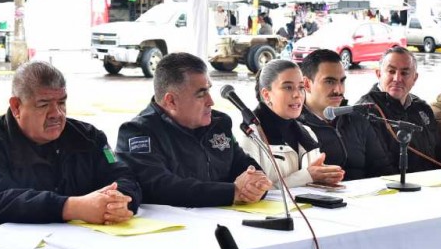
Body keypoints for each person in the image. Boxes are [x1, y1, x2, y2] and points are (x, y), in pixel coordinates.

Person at [0, 61, 141, 228]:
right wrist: (71, 207)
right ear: (16, 107)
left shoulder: (89, 138)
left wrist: (119, 201)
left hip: (84, 245)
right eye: (43, 105)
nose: (56, 113)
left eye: (61, 102)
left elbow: (122, 175)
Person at [116, 53, 272, 207]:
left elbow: (247, 167)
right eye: (201, 94)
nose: (210, 101)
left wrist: (256, 186)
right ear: (171, 101)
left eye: (208, 91)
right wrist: (232, 192)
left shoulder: (219, 123)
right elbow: (158, 186)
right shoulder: (138, 131)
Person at [241, 59, 345, 188]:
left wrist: (323, 179)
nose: (297, 95)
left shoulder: (308, 133)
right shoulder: (251, 136)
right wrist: (308, 176)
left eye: (301, 87)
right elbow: (254, 192)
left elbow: (311, 179)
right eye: (288, 87)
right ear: (266, 95)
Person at [298, 49, 394, 180]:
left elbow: (383, 170)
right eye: (329, 82)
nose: (339, 90)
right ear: (307, 84)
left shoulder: (357, 119)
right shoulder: (295, 126)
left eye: (342, 81)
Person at [356, 46, 439, 172]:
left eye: (404, 73)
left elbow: (439, 152)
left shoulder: (423, 109)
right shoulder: (365, 111)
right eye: (391, 71)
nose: (397, 79)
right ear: (378, 74)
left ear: (415, 78)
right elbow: (378, 167)